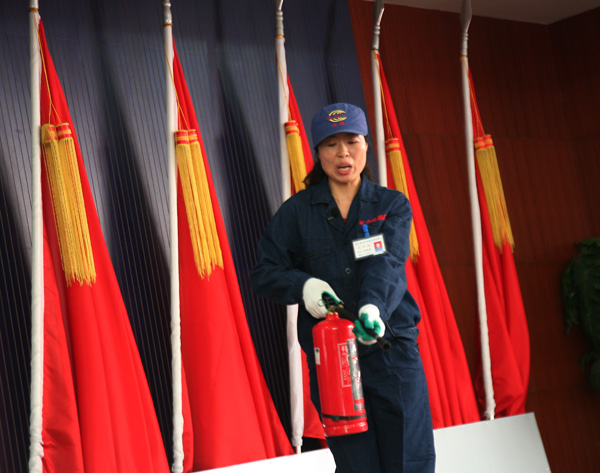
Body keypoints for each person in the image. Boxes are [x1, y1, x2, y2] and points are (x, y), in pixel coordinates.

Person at [250, 103, 435, 473]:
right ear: (318, 152)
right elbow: (264, 272)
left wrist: (372, 308)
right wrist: (303, 285)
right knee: (356, 466)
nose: (343, 154)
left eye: (352, 141)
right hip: (332, 360)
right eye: (331, 144)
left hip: (390, 350)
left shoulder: (391, 205)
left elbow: (388, 262)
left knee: (408, 461)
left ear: (366, 145)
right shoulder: (296, 212)